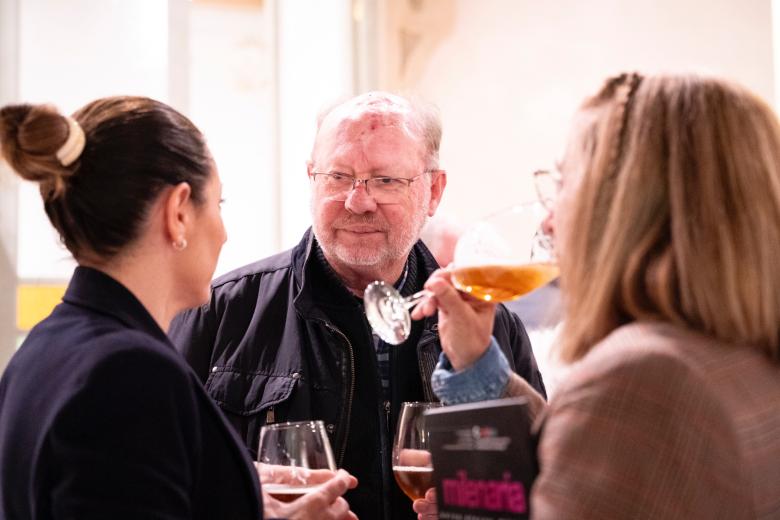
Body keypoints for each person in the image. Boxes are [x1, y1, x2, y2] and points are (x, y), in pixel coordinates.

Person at [412, 73, 780, 518]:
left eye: (565, 184)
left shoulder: (642, 379)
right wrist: (477, 366)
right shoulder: (740, 355)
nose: (548, 221)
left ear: (627, 208)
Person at [169, 91, 547, 520]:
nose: (357, 201)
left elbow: (553, 490)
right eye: (338, 176)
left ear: (434, 191)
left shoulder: (492, 329)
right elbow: (156, 484)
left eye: (385, 181)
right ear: (311, 178)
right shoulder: (220, 312)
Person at [0, 97, 357, 519]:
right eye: (217, 205)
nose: (223, 234)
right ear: (178, 213)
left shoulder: (44, 347)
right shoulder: (130, 372)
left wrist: (225, 489)